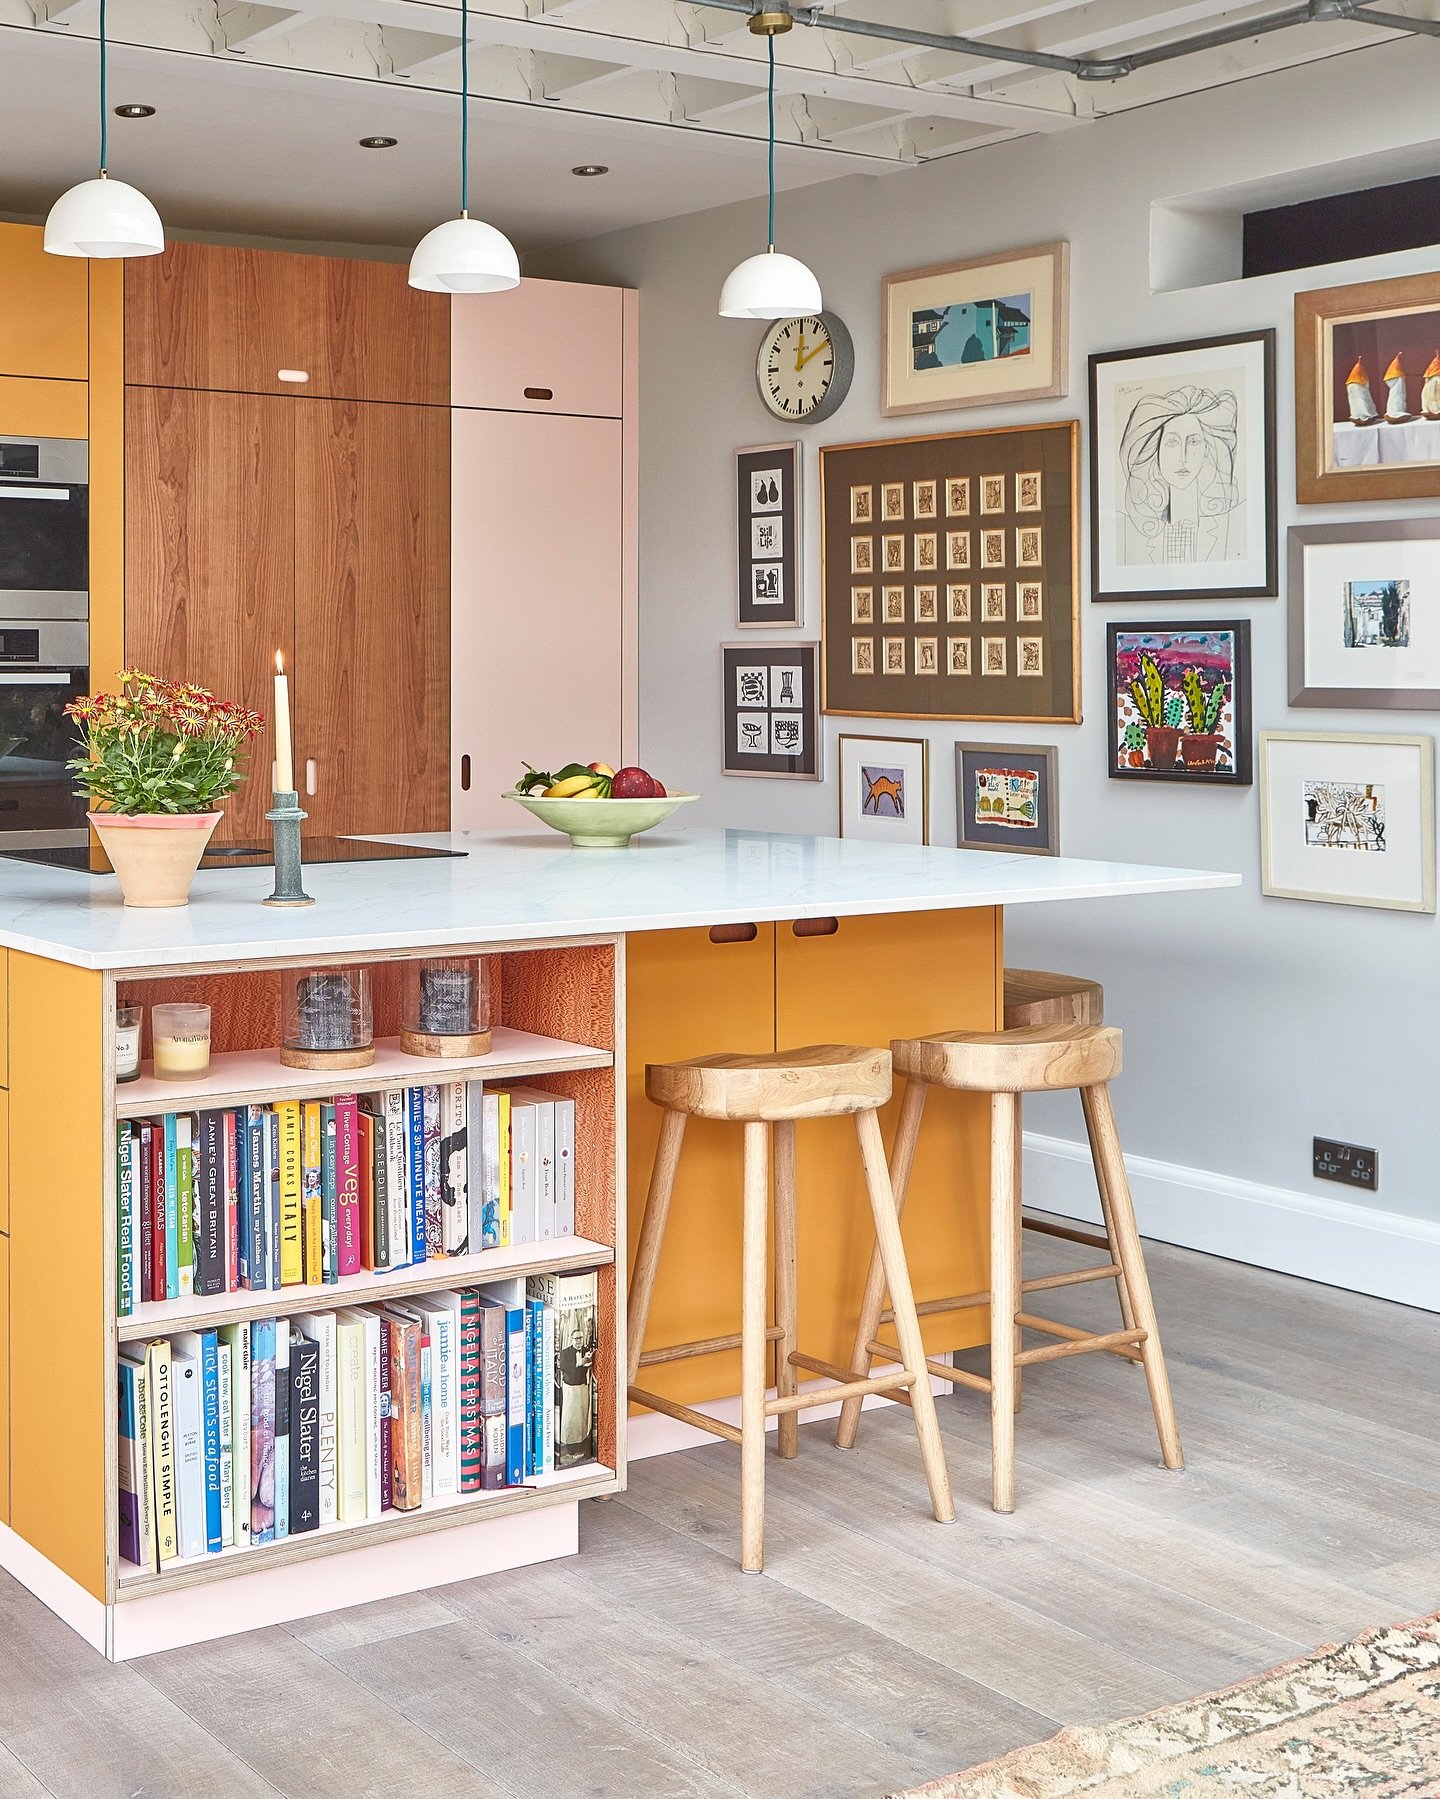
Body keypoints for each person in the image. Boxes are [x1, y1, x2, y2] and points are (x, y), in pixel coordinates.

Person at [1118, 383, 1240, 565]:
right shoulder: (1125, 532)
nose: (1183, 457)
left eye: (1194, 441)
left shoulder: (1235, 524)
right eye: (1172, 442)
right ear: (1156, 450)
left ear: (1207, 449)